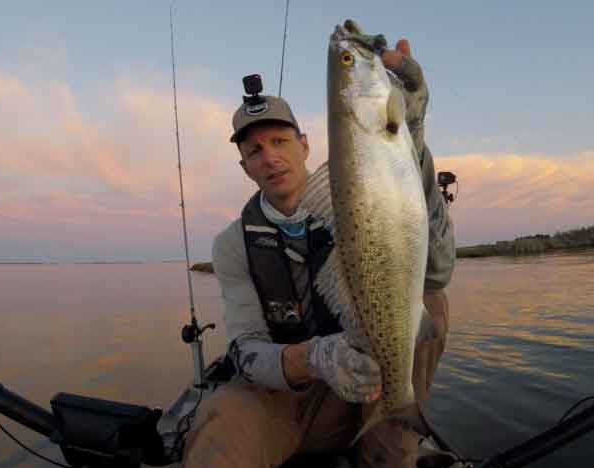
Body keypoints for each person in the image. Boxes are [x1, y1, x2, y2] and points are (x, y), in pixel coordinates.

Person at [182, 32, 456, 468]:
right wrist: (317, 358)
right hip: (289, 399)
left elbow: (436, 272)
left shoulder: (363, 197)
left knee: (429, 299)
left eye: (279, 141)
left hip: (372, 390)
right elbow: (245, 351)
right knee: (219, 429)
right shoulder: (233, 245)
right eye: (254, 150)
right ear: (245, 167)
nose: (269, 157)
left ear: (305, 144)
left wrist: (412, 134)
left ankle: (391, 438)